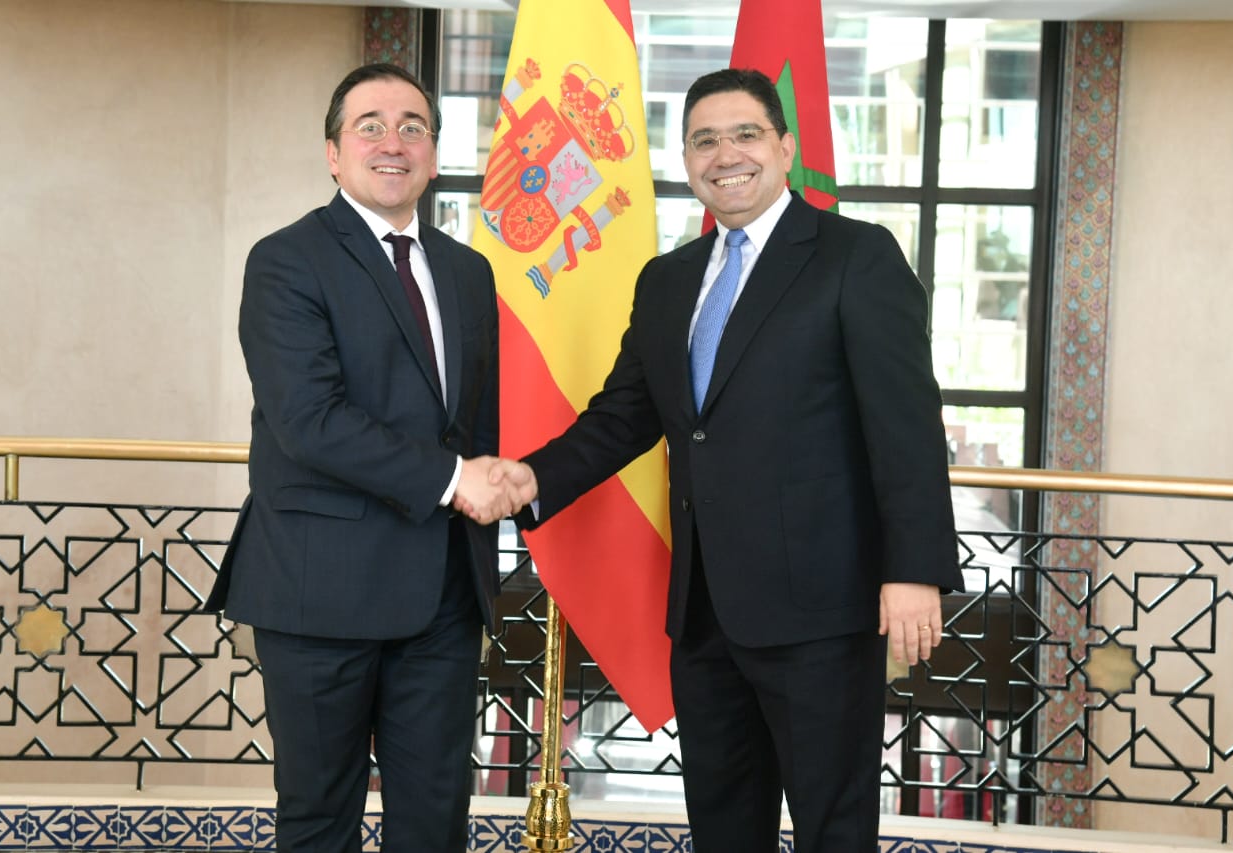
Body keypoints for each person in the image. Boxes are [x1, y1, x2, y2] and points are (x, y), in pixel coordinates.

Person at [474, 68, 965, 852]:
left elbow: (905, 425)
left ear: (786, 147)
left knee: (833, 831)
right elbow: (625, 415)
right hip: (704, 614)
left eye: (745, 134)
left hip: (823, 615)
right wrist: (531, 478)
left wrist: (913, 570)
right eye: (704, 140)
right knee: (724, 829)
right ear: (687, 160)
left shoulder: (855, 256)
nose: (725, 154)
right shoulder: (668, 281)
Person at [205, 63, 515, 852]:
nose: (392, 142)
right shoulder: (286, 260)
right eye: (369, 126)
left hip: (443, 596)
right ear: (333, 154)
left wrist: (501, 485)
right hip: (320, 592)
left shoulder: (468, 272)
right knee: (320, 819)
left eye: (413, 127)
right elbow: (309, 421)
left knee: (436, 823)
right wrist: (455, 479)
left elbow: (475, 426)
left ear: (434, 154)